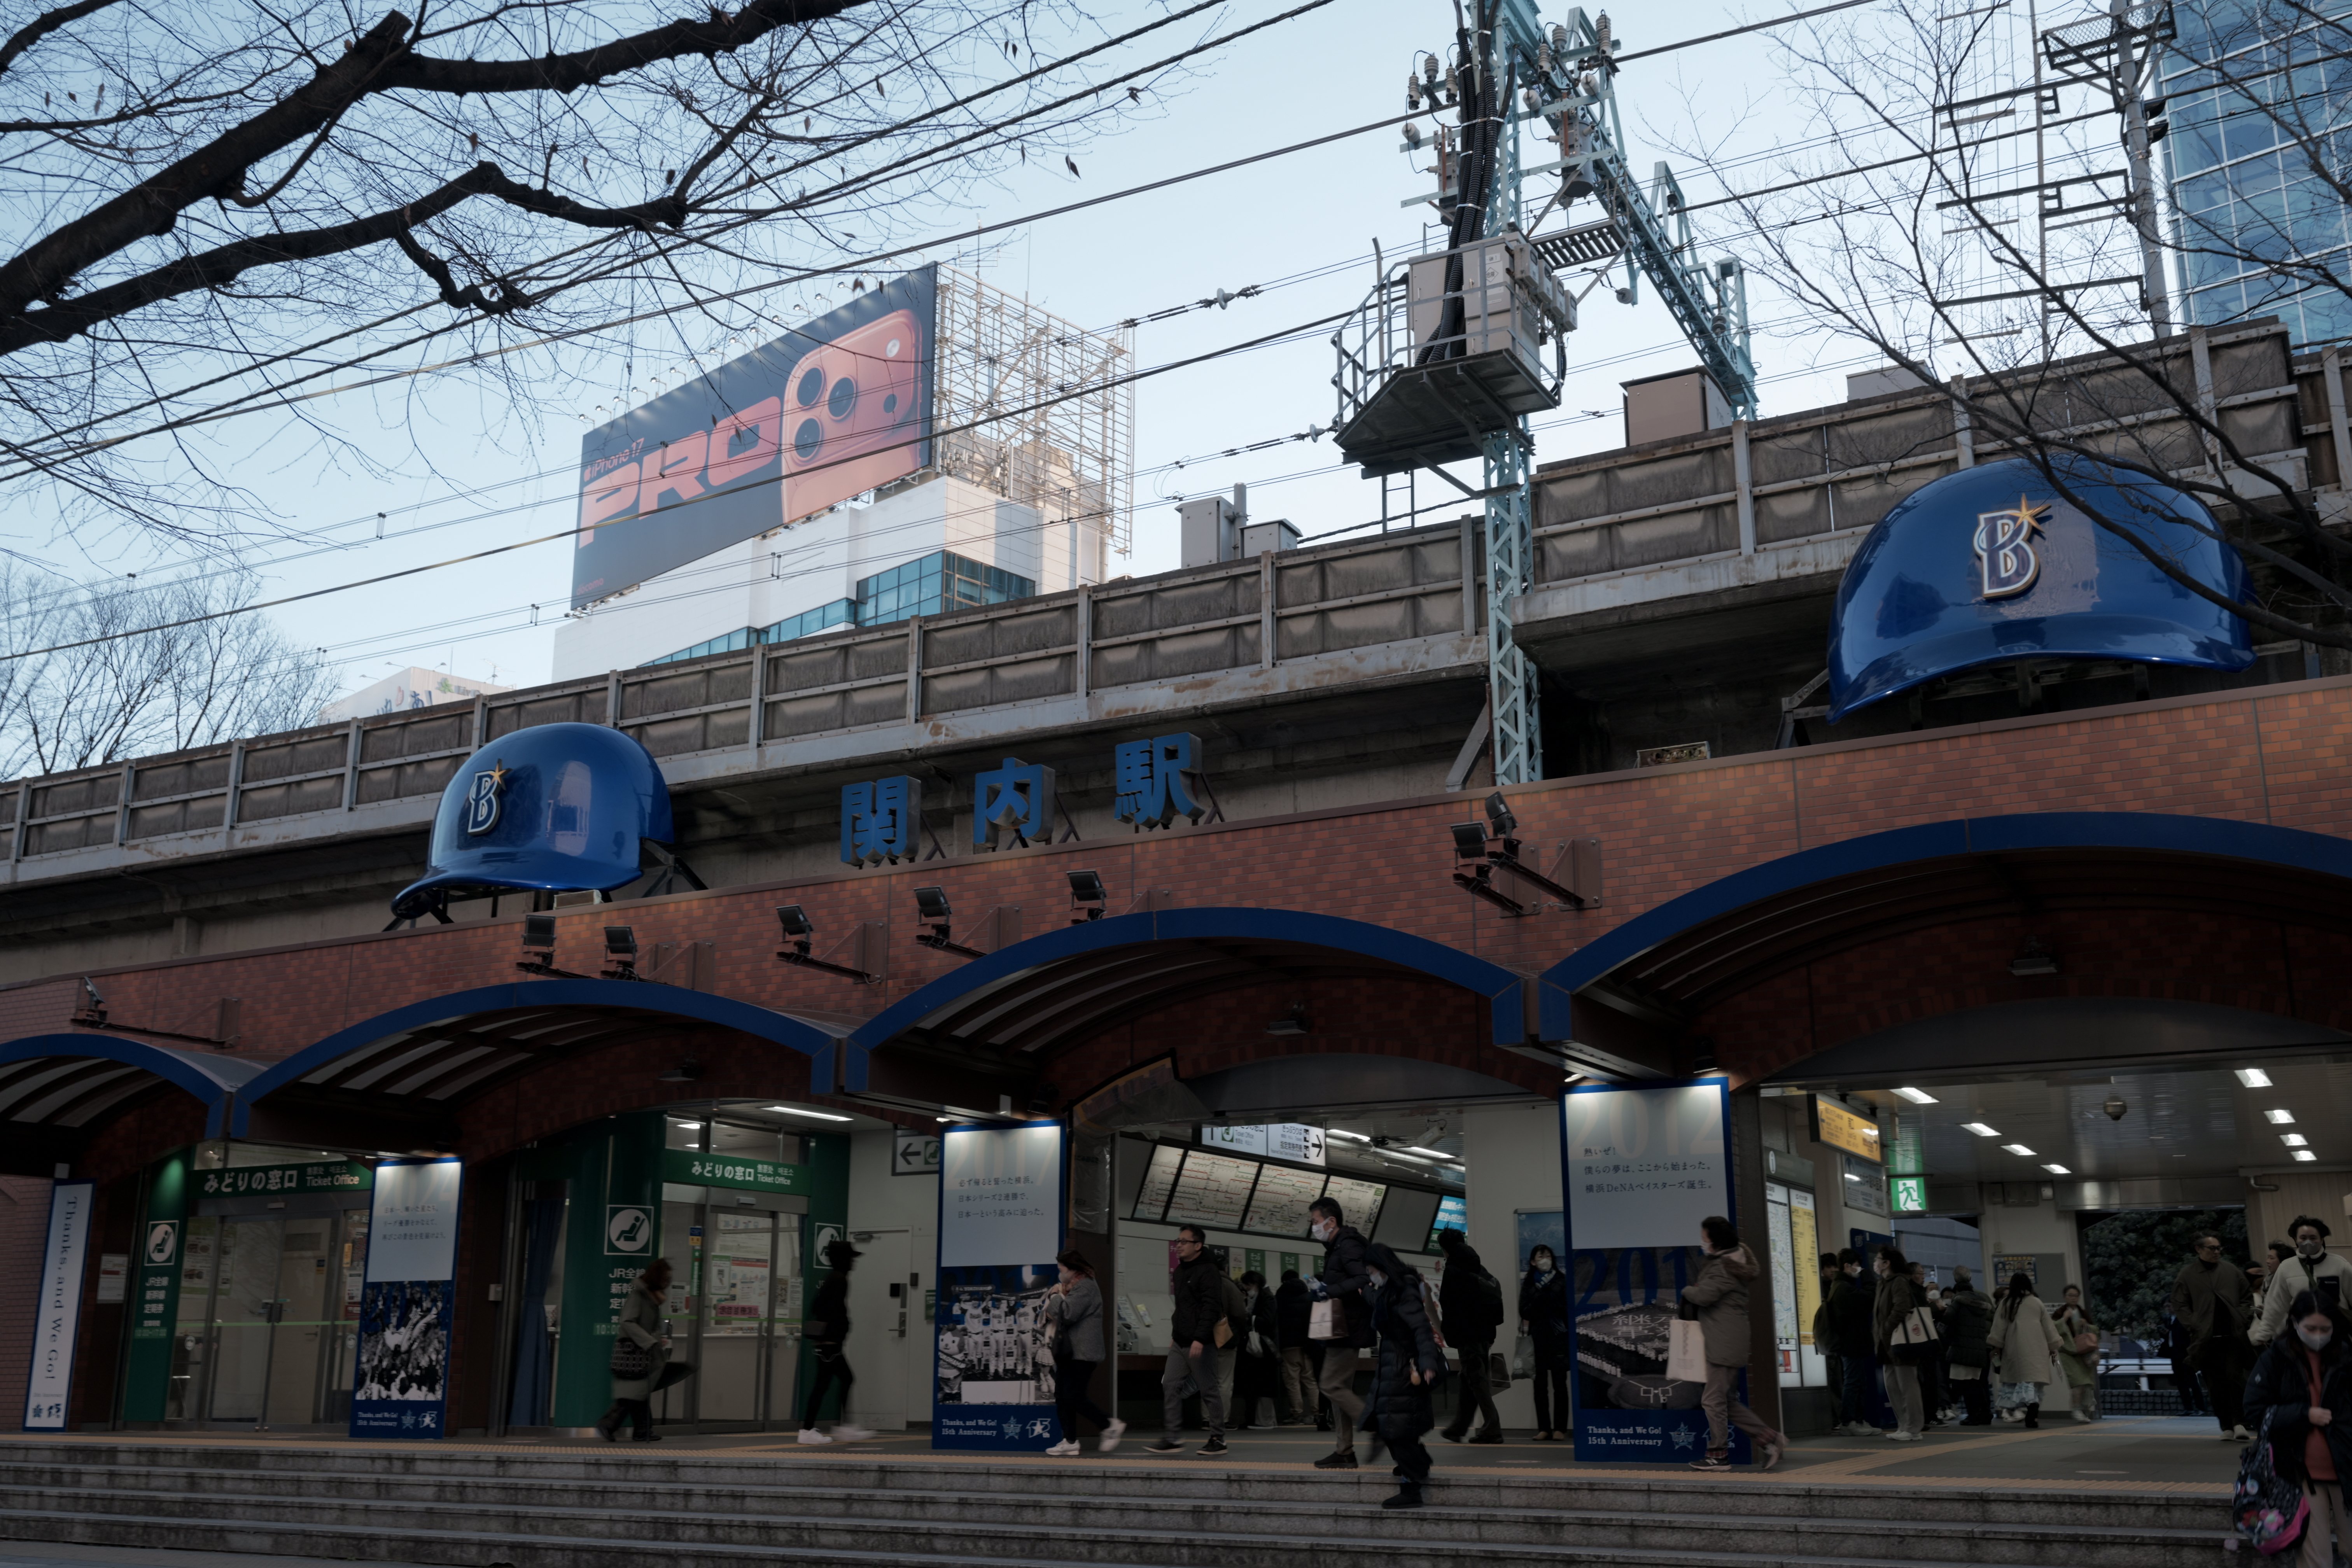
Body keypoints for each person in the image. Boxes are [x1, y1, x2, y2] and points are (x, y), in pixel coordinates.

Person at [2244, 1290, 2352, 1568]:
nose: (2318, 1335)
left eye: (2325, 1329)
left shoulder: (2346, 1356)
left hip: (2347, 1467)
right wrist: (2304, 1414)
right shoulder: (2275, 1360)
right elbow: (2255, 1411)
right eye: (2311, 1328)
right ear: (2294, 1323)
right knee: (2316, 1560)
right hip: (2300, 1474)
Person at [1679, 1215, 1788, 1472]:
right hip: (1726, 1339)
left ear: (1715, 1242)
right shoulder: (1733, 1261)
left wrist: (1686, 1290)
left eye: (1705, 1238)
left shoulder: (1724, 1267)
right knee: (1723, 1400)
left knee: (1712, 1401)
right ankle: (1770, 1439)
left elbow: (1704, 1296)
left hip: (1723, 1342)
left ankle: (1718, 1455)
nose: (1702, 1242)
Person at [1364, 1241, 1447, 1509]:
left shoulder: (1404, 1289)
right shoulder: (1389, 1289)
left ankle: (1412, 1488)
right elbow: (1380, 1305)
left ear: (1381, 1266)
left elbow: (1421, 1328)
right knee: (1392, 1425)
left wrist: (1427, 1362)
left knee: (1395, 1428)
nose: (1370, 1274)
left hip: (1404, 1368)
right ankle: (1417, 1465)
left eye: (1370, 1269)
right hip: (1392, 1366)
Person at [1146, 1223, 1229, 1456]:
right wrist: (1175, 1335)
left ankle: (1218, 1439)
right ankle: (1173, 1437)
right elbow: (1182, 1308)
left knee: (1209, 1390)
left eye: (1184, 1242)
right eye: (1178, 1241)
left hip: (1201, 1342)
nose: (1178, 1246)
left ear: (1198, 1246)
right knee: (1170, 1385)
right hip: (1180, 1341)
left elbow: (1210, 1308)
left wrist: (1201, 1339)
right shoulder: (1181, 1271)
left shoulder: (1209, 1271)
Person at [1308, 1196, 1374, 1468]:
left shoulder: (1347, 1246)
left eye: (1315, 1222)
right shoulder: (1336, 1248)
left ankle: (1374, 1424)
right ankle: (1345, 1450)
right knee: (1340, 1390)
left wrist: (1328, 1290)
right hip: (1342, 1326)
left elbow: (1363, 1278)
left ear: (1331, 1221)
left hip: (1349, 1326)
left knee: (1330, 1385)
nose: (1314, 1228)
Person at [597, 1257, 691, 1442]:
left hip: (643, 1352)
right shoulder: (639, 1296)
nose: (667, 1282)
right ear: (656, 1277)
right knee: (635, 1393)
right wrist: (649, 1341)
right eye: (665, 1278)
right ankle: (610, 1423)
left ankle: (643, 1430)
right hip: (636, 1353)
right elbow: (627, 1321)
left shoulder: (651, 1297)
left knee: (639, 1392)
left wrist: (656, 1340)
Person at [2174, 1230, 2254, 1440]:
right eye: (2213, 1248)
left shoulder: (2231, 1271)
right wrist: (2195, 1325)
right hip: (2205, 1339)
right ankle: (2226, 1425)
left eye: (2219, 1248)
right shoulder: (2188, 1274)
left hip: (2233, 1336)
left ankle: (2239, 1423)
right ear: (2199, 1250)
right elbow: (2180, 1304)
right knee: (2215, 1384)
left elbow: (2246, 1297)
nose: (2217, 1252)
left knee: (2235, 1379)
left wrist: (2243, 1317)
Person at [1043, 1248, 1124, 1456]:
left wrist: (1055, 1295)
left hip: (1083, 1353)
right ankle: (1070, 1441)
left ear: (1072, 1270)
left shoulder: (1086, 1287)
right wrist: (1060, 1296)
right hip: (1071, 1352)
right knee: (1062, 1395)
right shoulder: (1074, 1287)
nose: (1060, 1274)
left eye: (1062, 1269)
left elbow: (1065, 1313)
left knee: (1074, 1396)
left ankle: (1108, 1424)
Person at [798, 1238, 874, 1444]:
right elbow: (831, 1310)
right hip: (830, 1345)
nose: (853, 1262)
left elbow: (817, 1306)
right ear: (842, 1259)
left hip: (829, 1344)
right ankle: (808, 1431)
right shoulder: (839, 1280)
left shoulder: (834, 1278)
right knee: (827, 1384)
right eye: (850, 1258)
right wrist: (837, 1331)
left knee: (837, 1381)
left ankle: (841, 1427)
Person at [1434, 1228, 1504, 1444]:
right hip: (1484, 1335)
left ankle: (1493, 1429)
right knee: (1469, 1379)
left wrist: (1450, 1336)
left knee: (1477, 1380)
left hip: (1468, 1336)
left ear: (1445, 1249)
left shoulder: (1454, 1270)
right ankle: (1459, 1428)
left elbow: (1449, 1306)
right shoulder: (1477, 1266)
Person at [2255, 1218, 2352, 1350]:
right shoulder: (2286, 1268)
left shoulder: (2340, 1265)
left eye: (2313, 1238)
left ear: (2322, 1239)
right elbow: (2275, 1305)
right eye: (2303, 1238)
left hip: (2337, 1337)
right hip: (2302, 1339)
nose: (2308, 1242)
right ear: (2296, 1240)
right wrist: (2263, 1334)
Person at [1986, 1271, 2065, 1429]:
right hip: (2038, 1349)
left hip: (2015, 1350)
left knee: (2020, 1382)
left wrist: (1996, 1348)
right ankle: (2033, 1412)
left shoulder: (2006, 1304)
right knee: (2034, 1383)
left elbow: (1998, 1329)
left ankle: (2027, 1408)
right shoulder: (2037, 1303)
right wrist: (2053, 1348)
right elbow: (2049, 1328)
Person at [1871, 1247, 1928, 1442]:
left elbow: (1902, 1308)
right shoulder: (1882, 1283)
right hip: (1886, 1343)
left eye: (1878, 1260)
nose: (1875, 1263)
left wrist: (1886, 1328)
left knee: (1907, 1385)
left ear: (1887, 1264)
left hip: (1901, 1341)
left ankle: (1913, 1428)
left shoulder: (1899, 1282)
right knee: (1893, 1386)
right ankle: (1903, 1425)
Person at [1519, 1243, 1571, 1441]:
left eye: (1548, 1255)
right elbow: (1524, 1311)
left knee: (1560, 1385)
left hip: (1558, 1338)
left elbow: (1566, 1309)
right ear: (1533, 1261)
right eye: (1541, 1256)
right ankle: (1544, 1428)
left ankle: (1560, 1429)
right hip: (1537, 1339)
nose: (1545, 1259)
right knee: (1539, 1386)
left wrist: (1549, 1302)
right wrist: (1542, 1301)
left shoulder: (1562, 1280)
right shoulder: (1529, 1283)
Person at [1825, 1249, 1879, 1435]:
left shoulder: (1843, 1286)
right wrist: (1867, 1277)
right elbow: (1870, 1298)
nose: (1859, 1269)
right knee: (1853, 1382)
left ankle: (1858, 1420)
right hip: (1851, 1343)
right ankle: (1848, 1422)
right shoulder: (1843, 1288)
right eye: (1857, 1266)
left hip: (1854, 1342)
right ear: (1848, 1266)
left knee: (1858, 1382)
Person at [1941, 1265, 1996, 1425]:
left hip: (1962, 1348)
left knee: (1966, 1384)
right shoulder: (1982, 1300)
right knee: (1979, 1384)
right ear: (1971, 1279)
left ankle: (1973, 1416)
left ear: (1956, 1282)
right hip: (1980, 1347)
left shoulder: (1957, 1302)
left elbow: (1947, 1321)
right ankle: (1986, 1414)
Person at [1233, 1270, 1282, 1430]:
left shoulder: (1268, 1298)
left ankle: (1264, 1420)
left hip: (1264, 1347)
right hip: (1253, 1348)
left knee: (1264, 1384)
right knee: (1253, 1384)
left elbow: (1268, 1321)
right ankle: (1252, 1418)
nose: (1247, 1289)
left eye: (1248, 1286)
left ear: (1255, 1284)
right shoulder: (1253, 1298)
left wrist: (1250, 1318)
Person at [2053, 1283, 2101, 1422]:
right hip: (2068, 1352)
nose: (2073, 1298)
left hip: (2084, 1352)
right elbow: (2052, 1329)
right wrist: (2065, 1319)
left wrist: (2086, 1324)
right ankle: (2076, 1410)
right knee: (2078, 1382)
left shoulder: (2083, 1312)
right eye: (2070, 1295)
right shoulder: (2060, 1312)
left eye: (2076, 1296)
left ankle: (2081, 1409)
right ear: (2065, 1297)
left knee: (2086, 1383)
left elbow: (2095, 1330)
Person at [1910, 1262, 1950, 1426]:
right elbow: (1919, 1314)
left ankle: (1932, 1414)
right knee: (1926, 1381)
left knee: (1933, 1380)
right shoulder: (1913, 1294)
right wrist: (1936, 1309)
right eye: (1921, 1274)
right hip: (1921, 1344)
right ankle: (1927, 1416)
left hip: (1931, 1346)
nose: (1923, 1277)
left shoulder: (1918, 1293)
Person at [1275, 1268, 1316, 1424]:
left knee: (1293, 1381)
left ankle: (1297, 1414)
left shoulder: (1280, 1297)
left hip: (1289, 1346)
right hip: (1307, 1344)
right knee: (1310, 1380)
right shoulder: (1308, 1297)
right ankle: (1316, 1413)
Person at [1814, 1252, 1846, 1429]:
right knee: (1835, 1381)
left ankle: (1837, 1418)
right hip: (1830, 1341)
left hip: (1831, 1341)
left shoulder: (1834, 1286)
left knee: (1837, 1380)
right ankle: (1837, 1418)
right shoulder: (1827, 1288)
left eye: (1835, 1267)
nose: (1833, 1270)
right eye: (1829, 1267)